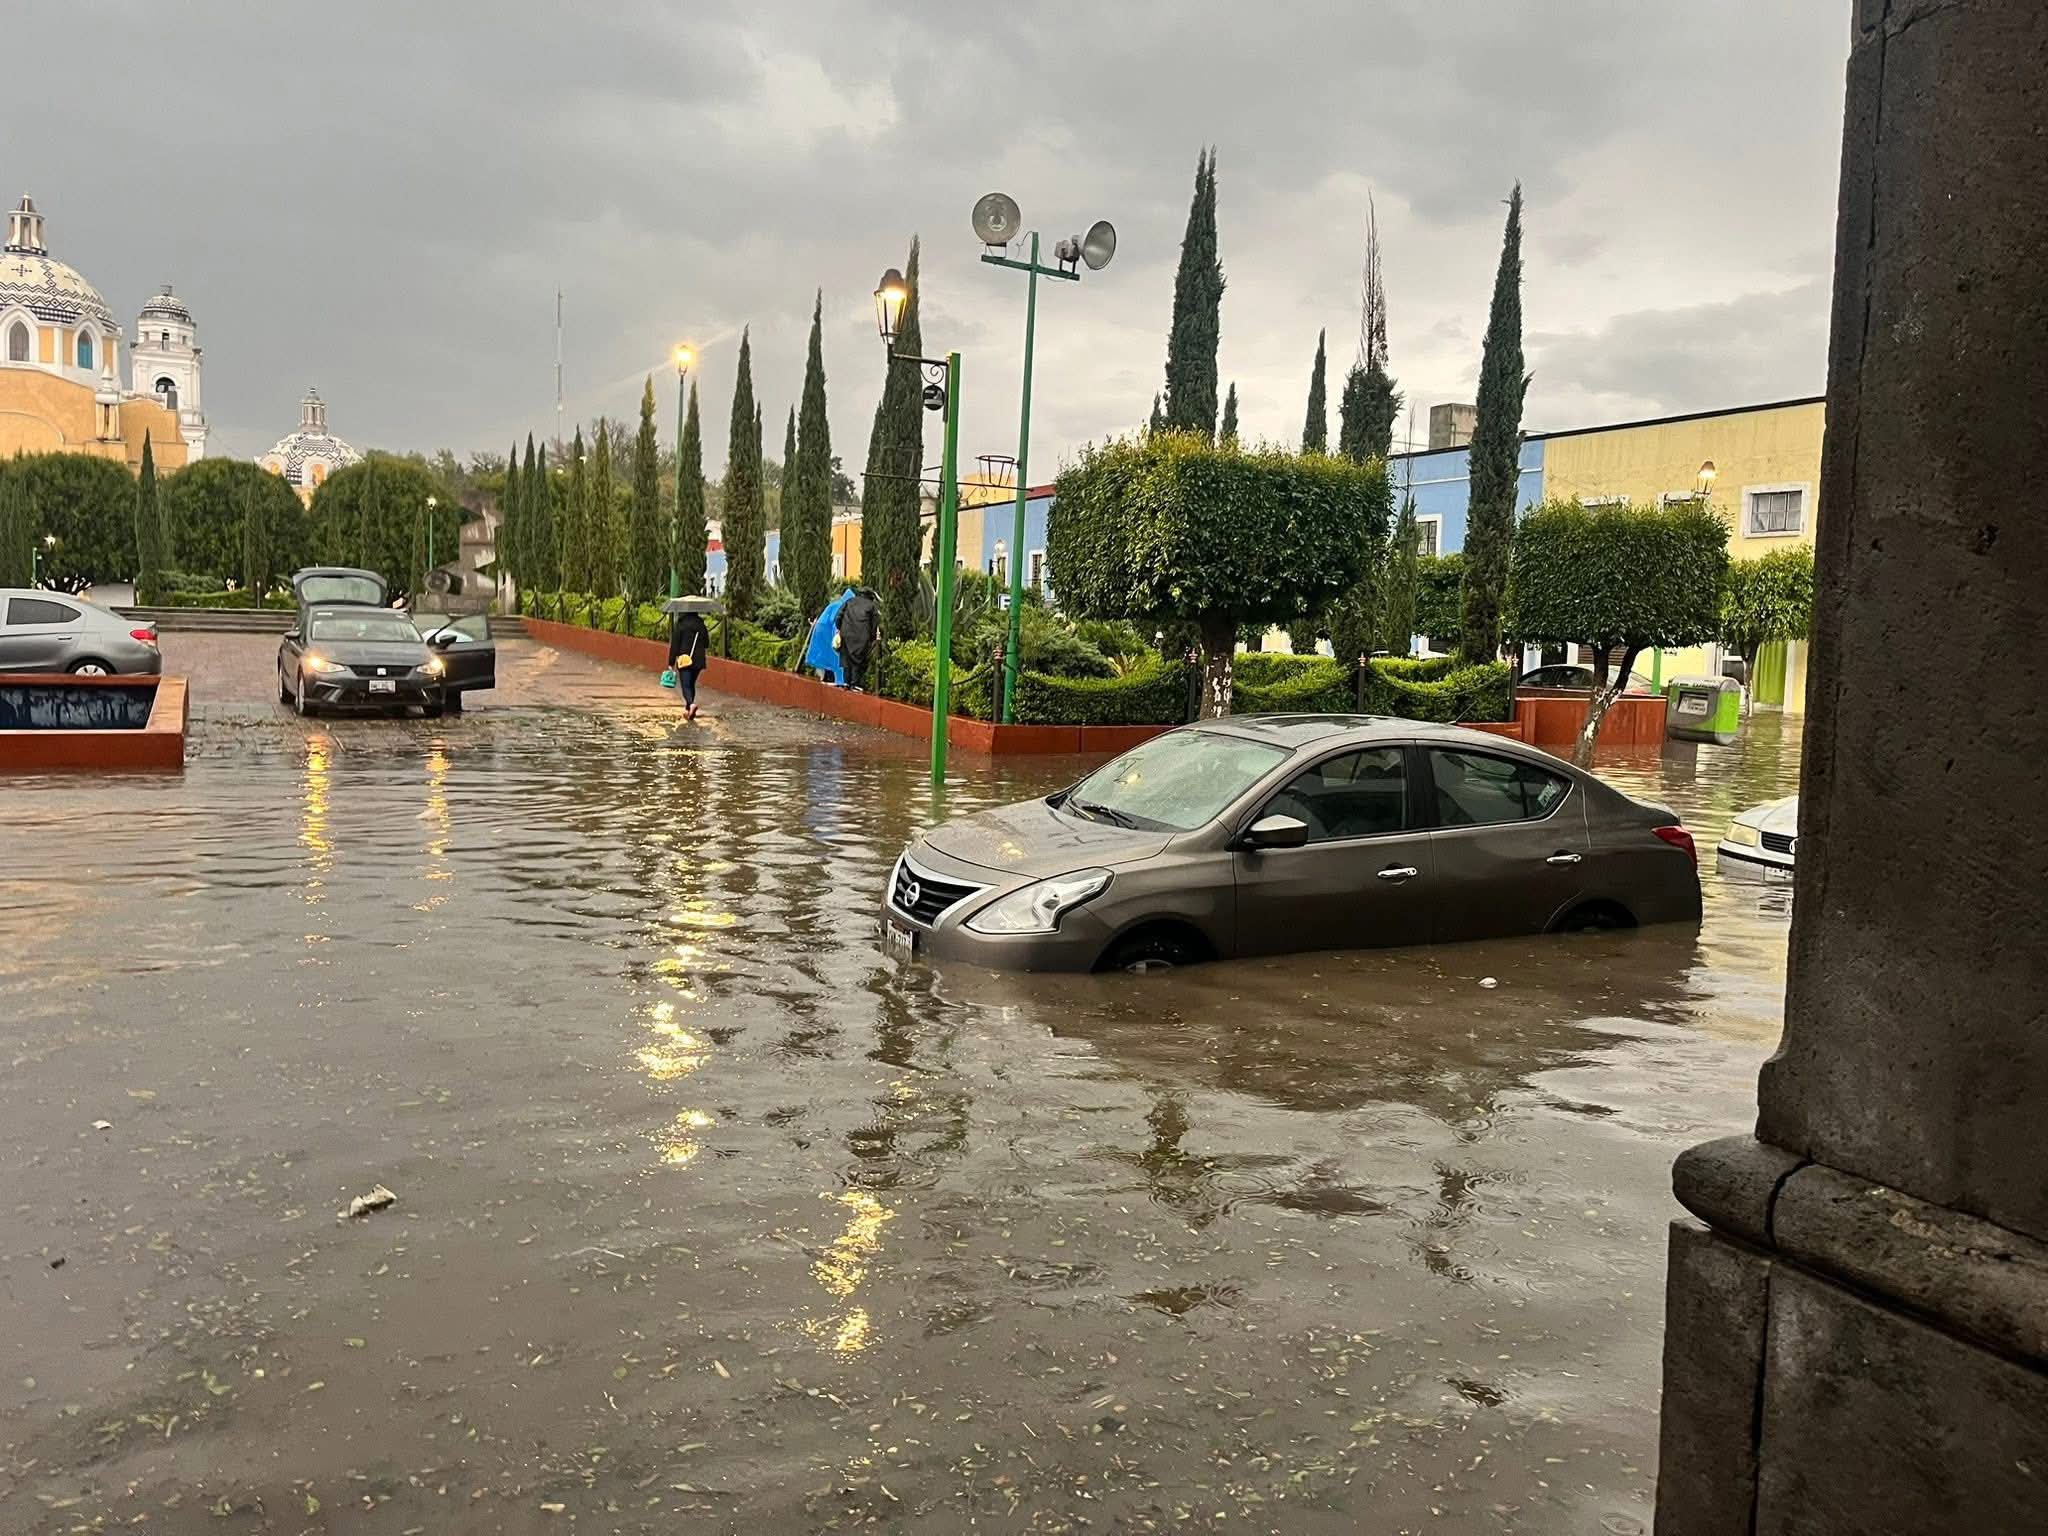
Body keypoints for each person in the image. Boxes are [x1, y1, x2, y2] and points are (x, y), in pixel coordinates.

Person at [668, 609, 709, 720]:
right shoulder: (701, 625)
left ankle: (691, 704)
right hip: (698, 660)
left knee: (686, 685)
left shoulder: (681, 625)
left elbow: (675, 645)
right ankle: (689, 710)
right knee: (691, 684)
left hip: (685, 659)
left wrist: (671, 662)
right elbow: (706, 643)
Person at [837, 586, 880, 691]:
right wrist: (872, 637)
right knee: (858, 660)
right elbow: (874, 624)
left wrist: (840, 629)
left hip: (846, 633)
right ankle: (855, 684)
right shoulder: (872, 606)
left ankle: (846, 683)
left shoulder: (849, 601)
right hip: (861, 636)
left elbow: (838, 616)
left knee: (846, 659)